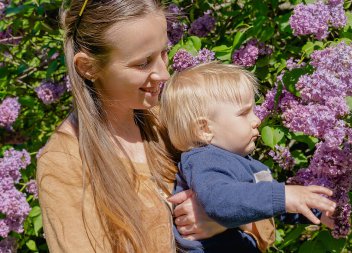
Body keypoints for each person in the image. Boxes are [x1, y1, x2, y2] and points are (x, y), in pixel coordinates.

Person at [36, 1, 224, 252]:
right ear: (88, 68)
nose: (164, 74)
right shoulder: (65, 162)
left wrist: (222, 217)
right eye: (142, 63)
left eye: (163, 53)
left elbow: (260, 210)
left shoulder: (169, 117)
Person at [159, 62, 336, 253]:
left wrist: (316, 211)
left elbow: (266, 206)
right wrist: (283, 196)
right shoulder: (205, 159)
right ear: (204, 129)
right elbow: (220, 202)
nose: (257, 120)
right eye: (244, 113)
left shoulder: (245, 162)